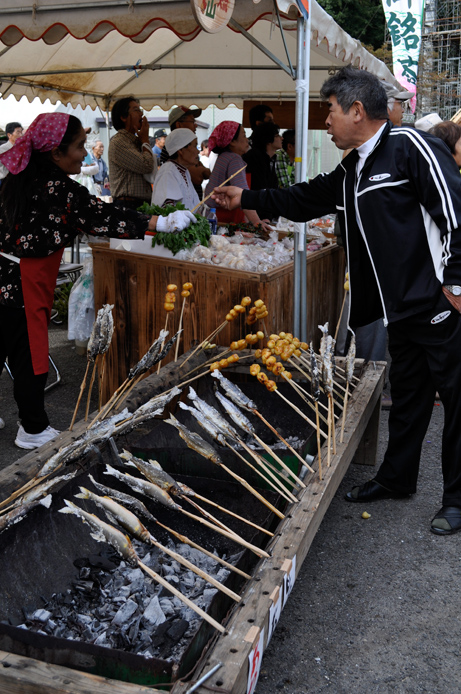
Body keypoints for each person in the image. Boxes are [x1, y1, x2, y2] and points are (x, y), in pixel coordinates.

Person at [212, 65, 461, 536]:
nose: (324, 121)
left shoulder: (410, 147)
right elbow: (308, 198)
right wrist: (245, 197)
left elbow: (456, 212)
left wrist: (457, 285)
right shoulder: (355, 164)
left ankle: (457, 499)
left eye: (328, 110)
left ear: (357, 110)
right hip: (399, 310)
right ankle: (396, 479)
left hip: (436, 304)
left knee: (456, 400)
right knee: (408, 399)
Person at [0, 113, 195, 449]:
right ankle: (32, 429)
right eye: (78, 147)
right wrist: (158, 223)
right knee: (30, 355)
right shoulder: (57, 187)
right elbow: (100, 215)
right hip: (23, 280)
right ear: (56, 154)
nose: (84, 153)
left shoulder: (21, 178)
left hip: (6, 273)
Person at [204, 121, 269, 228]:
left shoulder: (224, 157)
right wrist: (257, 222)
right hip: (222, 219)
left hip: (213, 216)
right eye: (243, 135)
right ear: (232, 141)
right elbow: (244, 196)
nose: (247, 139)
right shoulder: (234, 159)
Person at [108, 96, 157, 209]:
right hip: (127, 205)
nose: (141, 114)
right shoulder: (119, 142)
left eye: (140, 110)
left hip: (139, 204)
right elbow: (147, 165)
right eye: (136, 110)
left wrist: (143, 140)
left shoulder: (135, 141)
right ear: (123, 117)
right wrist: (145, 140)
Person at [160, 105, 210, 200]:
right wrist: (200, 169)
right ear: (179, 125)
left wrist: (200, 169)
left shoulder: (188, 147)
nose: (195, 125)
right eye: (192, 121)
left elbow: (207, 173)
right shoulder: (172, 147)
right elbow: (197, 178)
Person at [151, 129, 200, 210]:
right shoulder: (168, 171)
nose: (198, 151)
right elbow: (168, 209)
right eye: (195, 146)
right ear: (180, 150)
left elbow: (195, 207)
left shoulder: (184, 171)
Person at [243, 121, 282, 220]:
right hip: (255, 216)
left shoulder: (270, 158)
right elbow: (260, 189)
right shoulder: (255, 158)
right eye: (277, 135)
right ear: (268, 139)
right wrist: (266, 217)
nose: (281, 138)